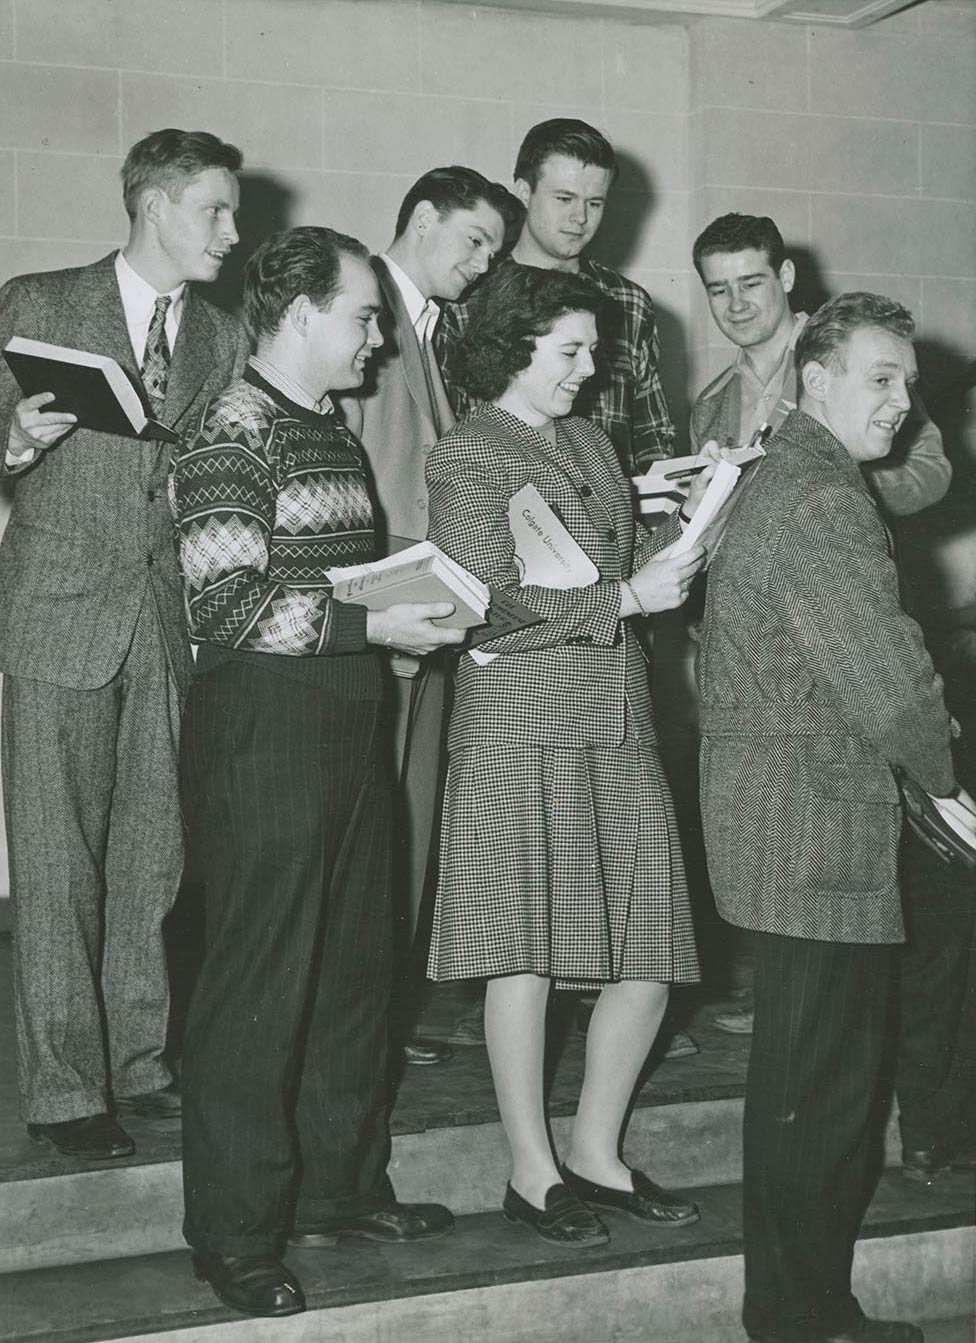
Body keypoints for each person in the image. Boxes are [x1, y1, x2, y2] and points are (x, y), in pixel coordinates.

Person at [171, 226, 461, 1319]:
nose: (379, 337)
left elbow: (333, 585)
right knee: (258, 988)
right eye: (363, 315)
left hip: (345, 716)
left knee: (353, 968)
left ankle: (338, 1187)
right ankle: (235, 1234)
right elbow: (226, 603)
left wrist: (395, 619)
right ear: (298, 314)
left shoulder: (326, 426)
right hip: (263, 730)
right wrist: (376, 618)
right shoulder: (228, 426)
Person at [697, 291, 966, 1343]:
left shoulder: (794, 476)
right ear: (814, 379)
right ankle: (804, 1322)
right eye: (880, 377)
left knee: (809, 1093)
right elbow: (886, 675)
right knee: (826, 1099)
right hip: (810, 832)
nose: (901, 402)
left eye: (908, 380)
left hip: (790, 824)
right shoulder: (819, 496)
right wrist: (944, 773)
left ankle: (800, 1311)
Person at [426, 263, 709, 1247]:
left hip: (615, 710)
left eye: (591, 349)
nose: (590, 371)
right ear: (515, 347)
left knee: (652, 950)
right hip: (518, 720)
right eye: (571, 351)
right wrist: (628, 598)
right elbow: (483, 606)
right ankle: (530, 1167)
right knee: (525, 955)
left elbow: (602, 547)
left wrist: (679, 507)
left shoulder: (588, 438)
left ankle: (595, 1149)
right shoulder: (465, 452)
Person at [0, 128, 249, 1162]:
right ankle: (64, 1087)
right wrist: (15, 444)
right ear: (155, 207)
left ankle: (139, 1065)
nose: (232, 234)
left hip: (168, 623)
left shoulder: (225, 335)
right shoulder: (40, 302)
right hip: (58, 611)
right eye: (216, 212)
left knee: (154, 856)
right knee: (59, 861)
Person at [690, 212, 953, 1039]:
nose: (902, 402)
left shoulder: (843, 398)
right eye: (718, 290)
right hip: (807, 788)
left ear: (788, 281)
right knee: (819, 1063)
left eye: (751, 283)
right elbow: (884, 681)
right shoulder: (742, 423)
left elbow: (926, 472)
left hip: (795, 766)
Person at [338, 166, 514, 1067]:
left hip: (431, 610)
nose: (483, 263)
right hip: (376, 612)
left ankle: (378, 1016)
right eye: (472, 240)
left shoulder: (439, 330)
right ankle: (356, 1021)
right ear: (419, 218)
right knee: (373, 828)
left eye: (493, 249)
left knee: (407, 825)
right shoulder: (362, 311)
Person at [436, 118, 676, 475]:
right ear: (523, 192)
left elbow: (652, 437)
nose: (579, 217)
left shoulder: (629, 303)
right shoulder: (466, 298)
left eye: (595, 203)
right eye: (564, 198)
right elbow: (448, 430)